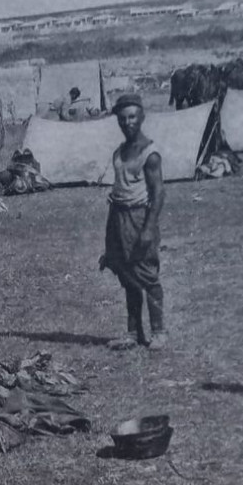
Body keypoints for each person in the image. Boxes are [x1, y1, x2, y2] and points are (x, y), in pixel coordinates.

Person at [98, 93, 167, 351]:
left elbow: (158, 192)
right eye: (122, 119)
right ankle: (134, 332)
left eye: (132, 117)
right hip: (117, 215)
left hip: (139, 216)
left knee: (147, 273)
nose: (127, 123)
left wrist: (148, 228)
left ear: (142, 117)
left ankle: (159, 331)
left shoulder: (150, 154)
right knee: (126, 275)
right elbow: (118, 189)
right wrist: (111, 234)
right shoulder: (119, 151)